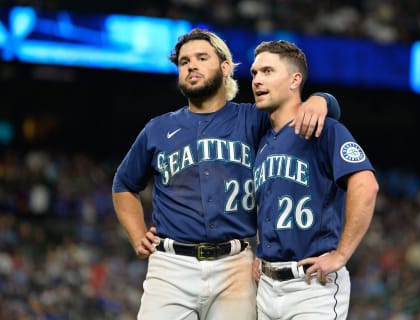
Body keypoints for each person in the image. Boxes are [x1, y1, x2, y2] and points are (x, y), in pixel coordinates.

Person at [111, 28, 341, 320]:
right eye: (183, 62)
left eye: (201, 58)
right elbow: (124, 184)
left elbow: (293, 104)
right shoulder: (157, 128)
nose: (191, 65)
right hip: (171, 266)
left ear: (225, 67)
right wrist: (136, 234)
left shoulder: (253, 117)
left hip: (236, 266)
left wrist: (322, 100)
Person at [250, 40, 379, 319]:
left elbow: (366, 185)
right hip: (266, 285)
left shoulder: (327, 129)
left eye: (268, 71)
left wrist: (342, 255)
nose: (257, 80)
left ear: (295, 79)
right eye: (254, 73)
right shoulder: (261, 138)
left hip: (311, 287)